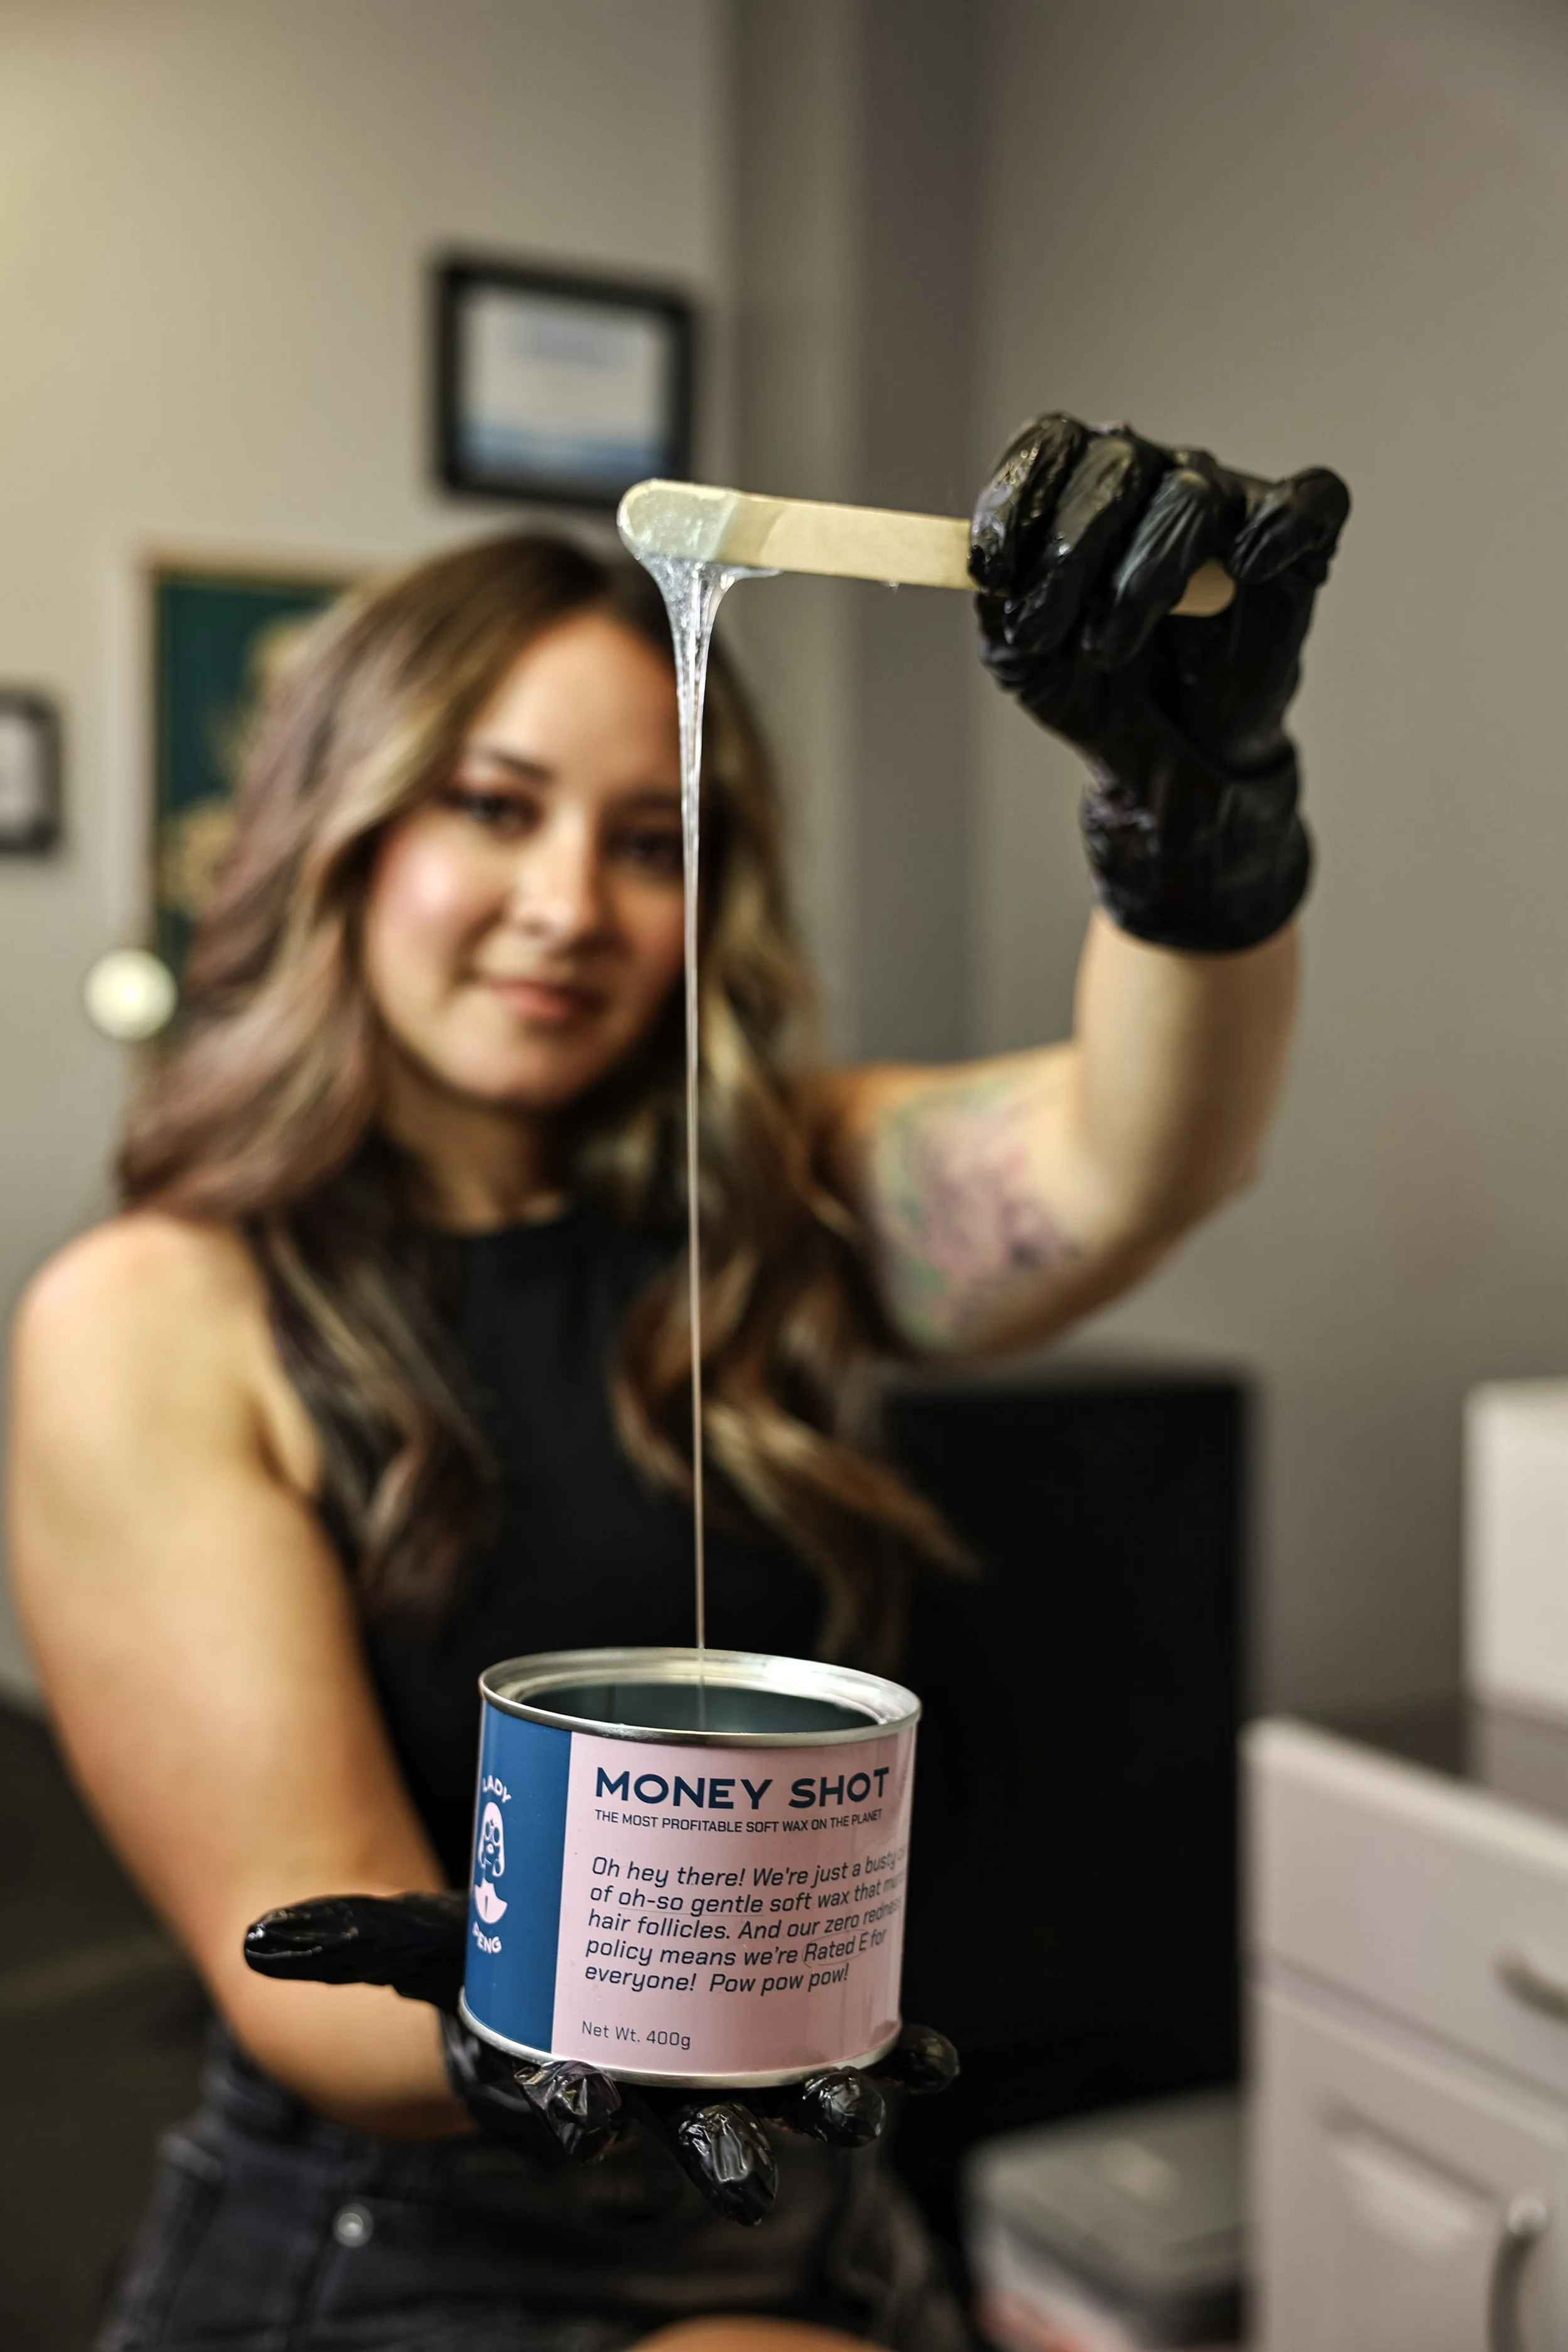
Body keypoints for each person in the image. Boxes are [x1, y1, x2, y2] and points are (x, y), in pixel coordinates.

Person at [8, 417, 1347, 2352]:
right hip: (412, 2239)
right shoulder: (160, 1312)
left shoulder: (773, 1203)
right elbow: (314, 1981)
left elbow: (1138, 1160)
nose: (571, 902)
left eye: (650, 840)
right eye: (493, 805)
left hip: (816, 2211)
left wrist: (1193, 817)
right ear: (347, 828)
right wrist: (541, 2018)